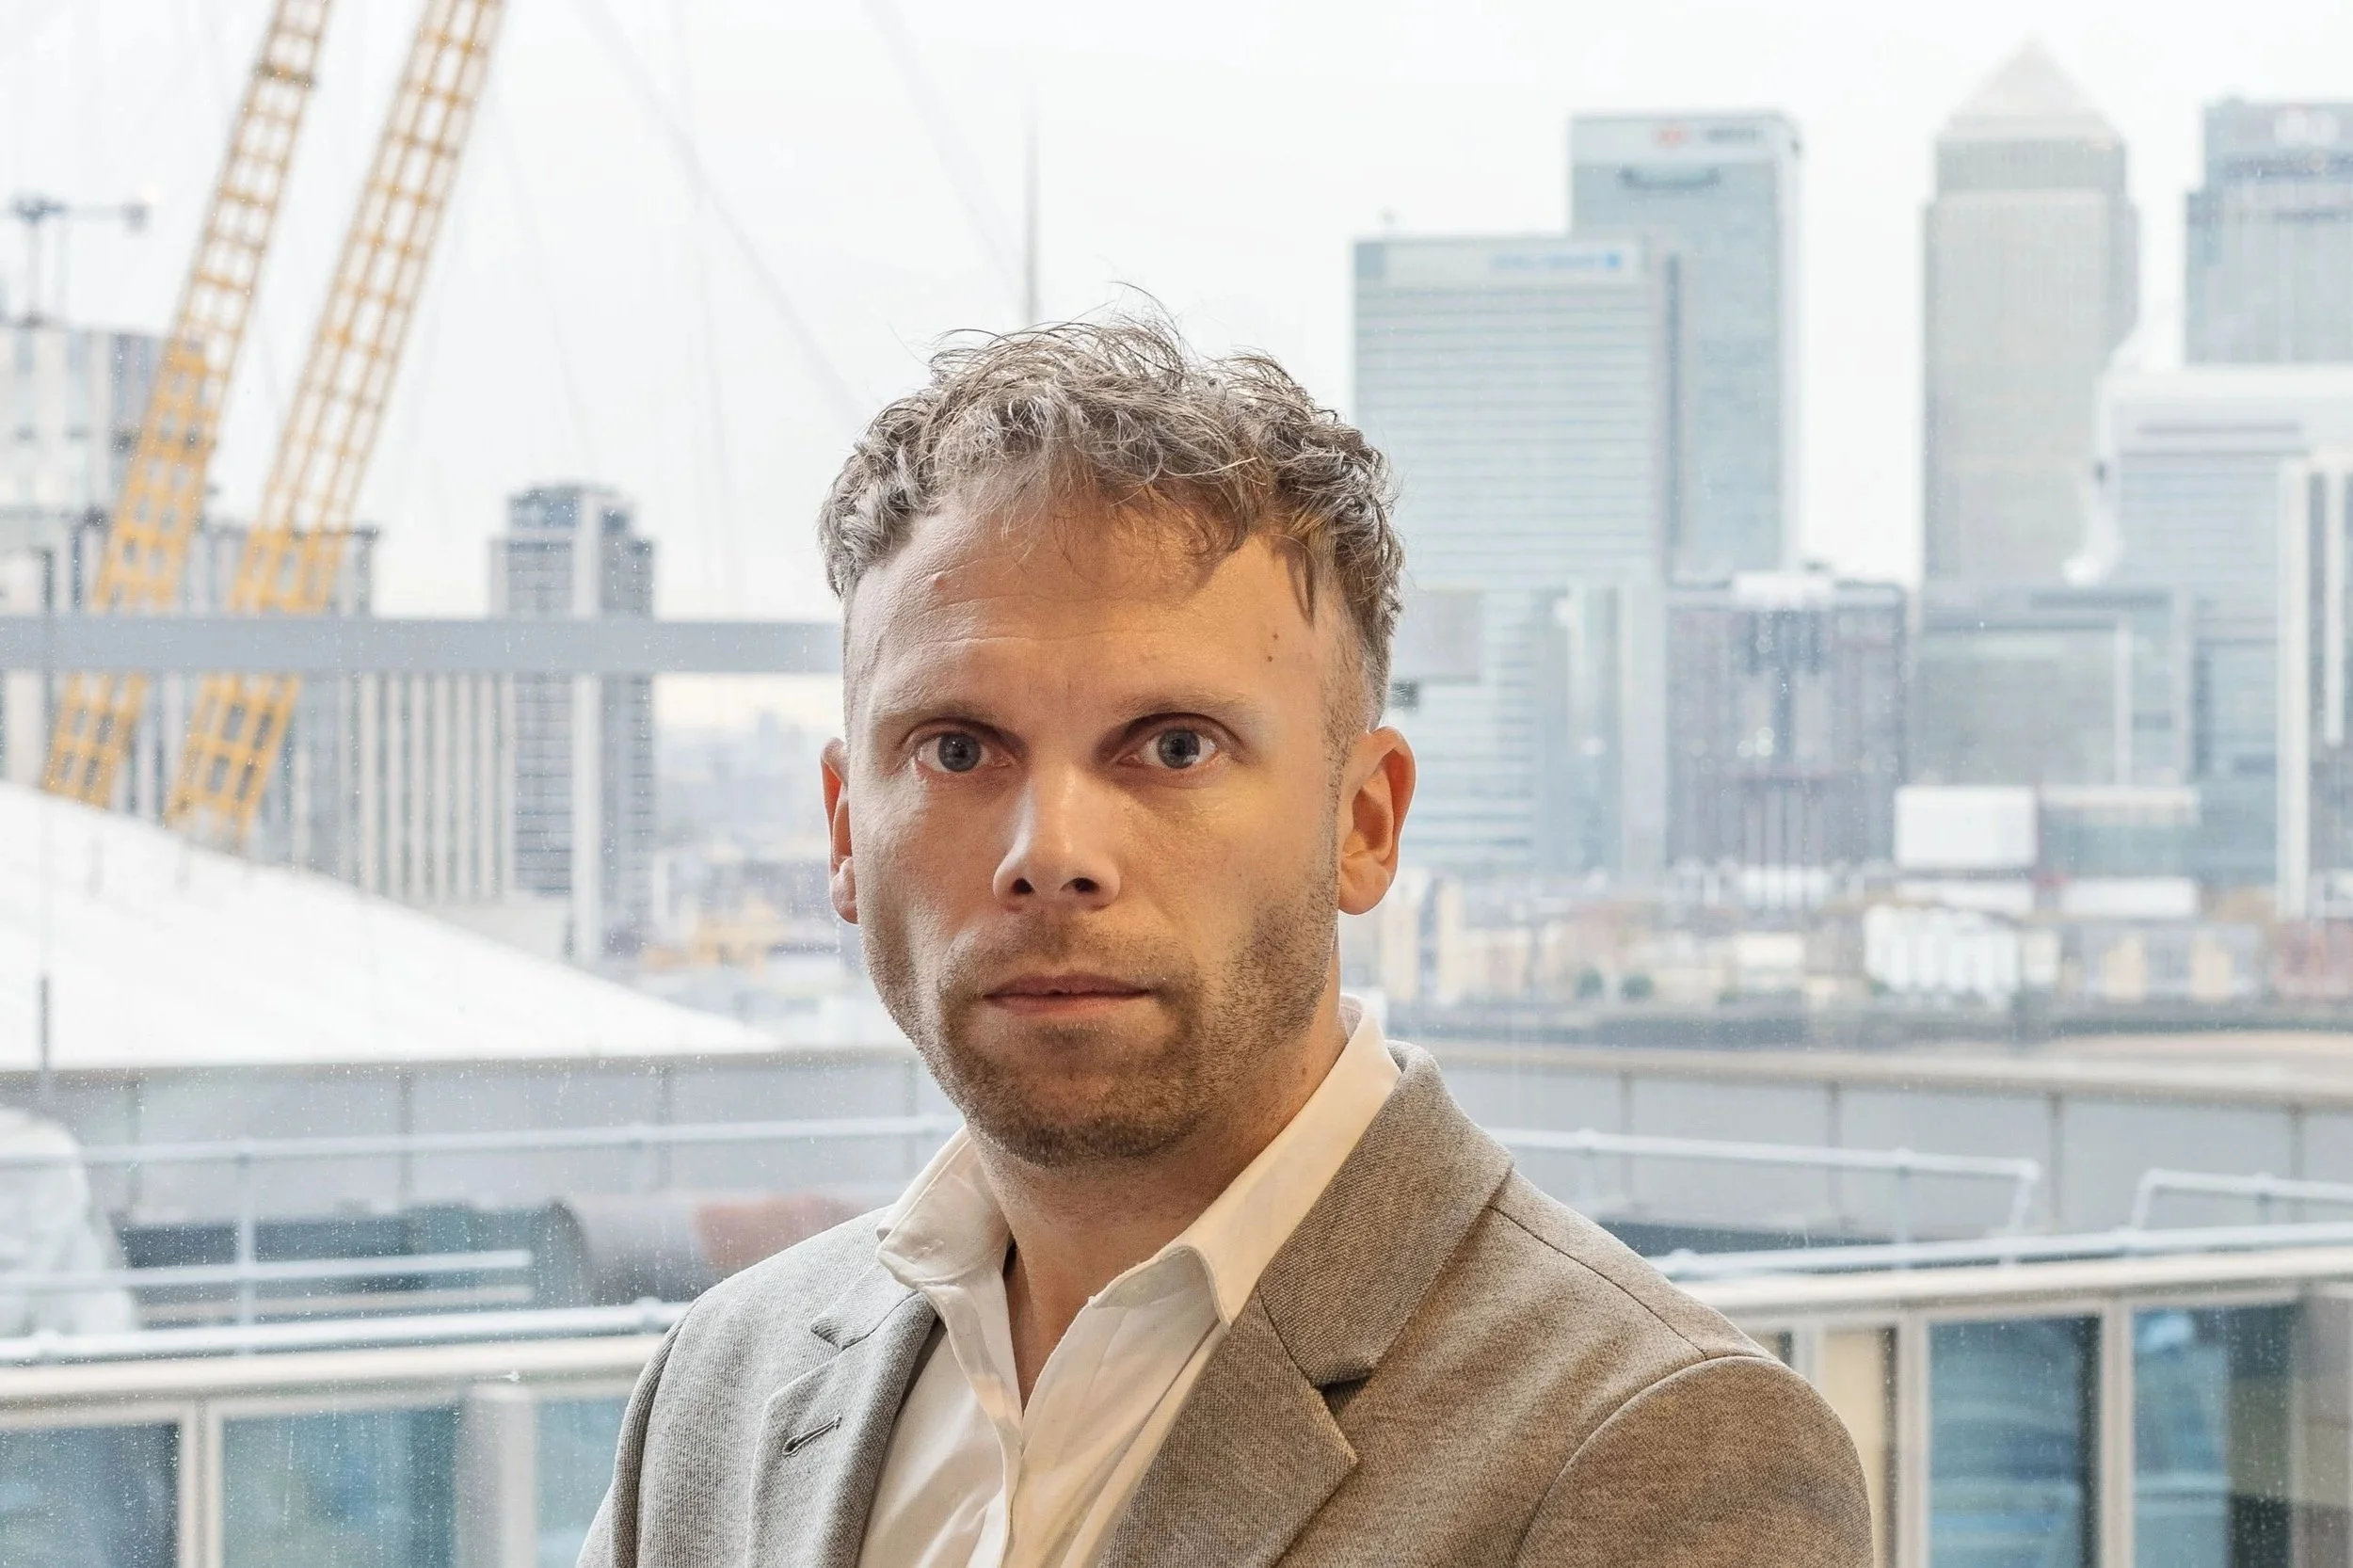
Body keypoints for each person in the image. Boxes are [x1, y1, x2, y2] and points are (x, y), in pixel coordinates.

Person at [580, 318, 1871, 1567]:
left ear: (1364, 823)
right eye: (959, 747)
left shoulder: (1654, 1443)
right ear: (845, 829)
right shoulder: (721, 1387)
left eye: (1174, 745)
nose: (1051, 850)